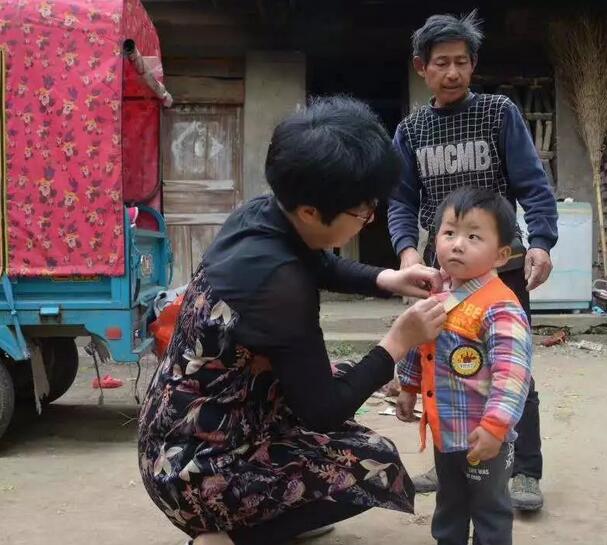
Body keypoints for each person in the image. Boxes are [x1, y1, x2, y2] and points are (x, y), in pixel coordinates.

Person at [138, 96, 448, 545]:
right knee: (375, 463)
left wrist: (392, 278)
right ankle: (231, 535)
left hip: (180, 426)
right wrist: (399, 340)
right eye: (361, 213)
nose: (367, 220)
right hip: (193, 468)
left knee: (341, 378)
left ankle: (270, 515)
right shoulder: (280, 286)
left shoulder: (262, 214)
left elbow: (323, 264)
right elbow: (322, 411)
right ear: (309, 212)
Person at [388, 10, 558, 511]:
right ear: (422, 68)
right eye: (441, 63)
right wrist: (406, 253)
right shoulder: (411, 130)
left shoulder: (498, 113)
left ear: (473, 64)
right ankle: (451, 459)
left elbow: (532, 184)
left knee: (511, 368)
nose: (453, 73)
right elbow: (400, 200)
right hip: (441, 273)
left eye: (462, 62)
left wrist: (542, 241)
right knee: (443, 365)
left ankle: (524, 470)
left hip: (499, 271)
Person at [398, 186, 533, 545]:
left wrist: (496, 427)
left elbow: (513, 375)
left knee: (489, 511)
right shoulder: (439, 294)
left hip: (483, 436)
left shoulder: (500, 306)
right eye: (449, 233)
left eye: (474, 236)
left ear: (501, 254)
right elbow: (419, 342)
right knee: (450, 505)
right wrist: (409, 387)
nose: (457, 244)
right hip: (446, 431)